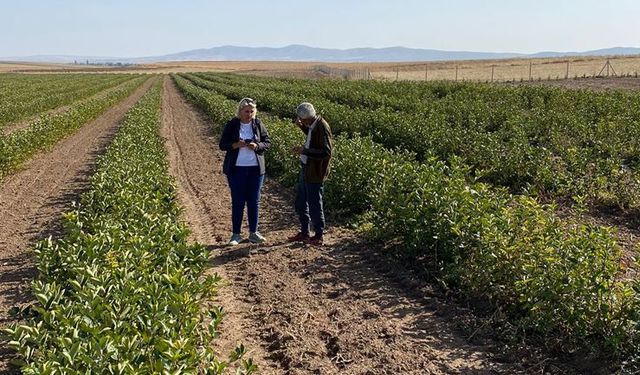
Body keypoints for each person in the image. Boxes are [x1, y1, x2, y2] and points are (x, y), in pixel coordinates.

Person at [219, 97, 271, 246]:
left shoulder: (258, 124)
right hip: (236, 169)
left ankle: (254, 233)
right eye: (246, 111)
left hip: (255, 170)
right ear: (240, 111)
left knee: (254, 201)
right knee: (238, 202)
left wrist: (257, 146)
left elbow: (267, 142)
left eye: (251, 111)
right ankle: (236, 235)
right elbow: (223, 144)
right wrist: (236, 145)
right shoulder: (232, 125)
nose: (249, 114)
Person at [287, 102, 333, 246]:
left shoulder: (322, 126)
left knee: (314, 204)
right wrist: (302, 127)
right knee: (301, 202)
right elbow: (312, 137)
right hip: (307, 169)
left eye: (303, 121)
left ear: (308, 118)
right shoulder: (313, 125)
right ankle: (305, 232)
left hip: (315, 173)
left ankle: (318, 235)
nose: (302, 122)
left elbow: (326, 152)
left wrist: (304, 151)